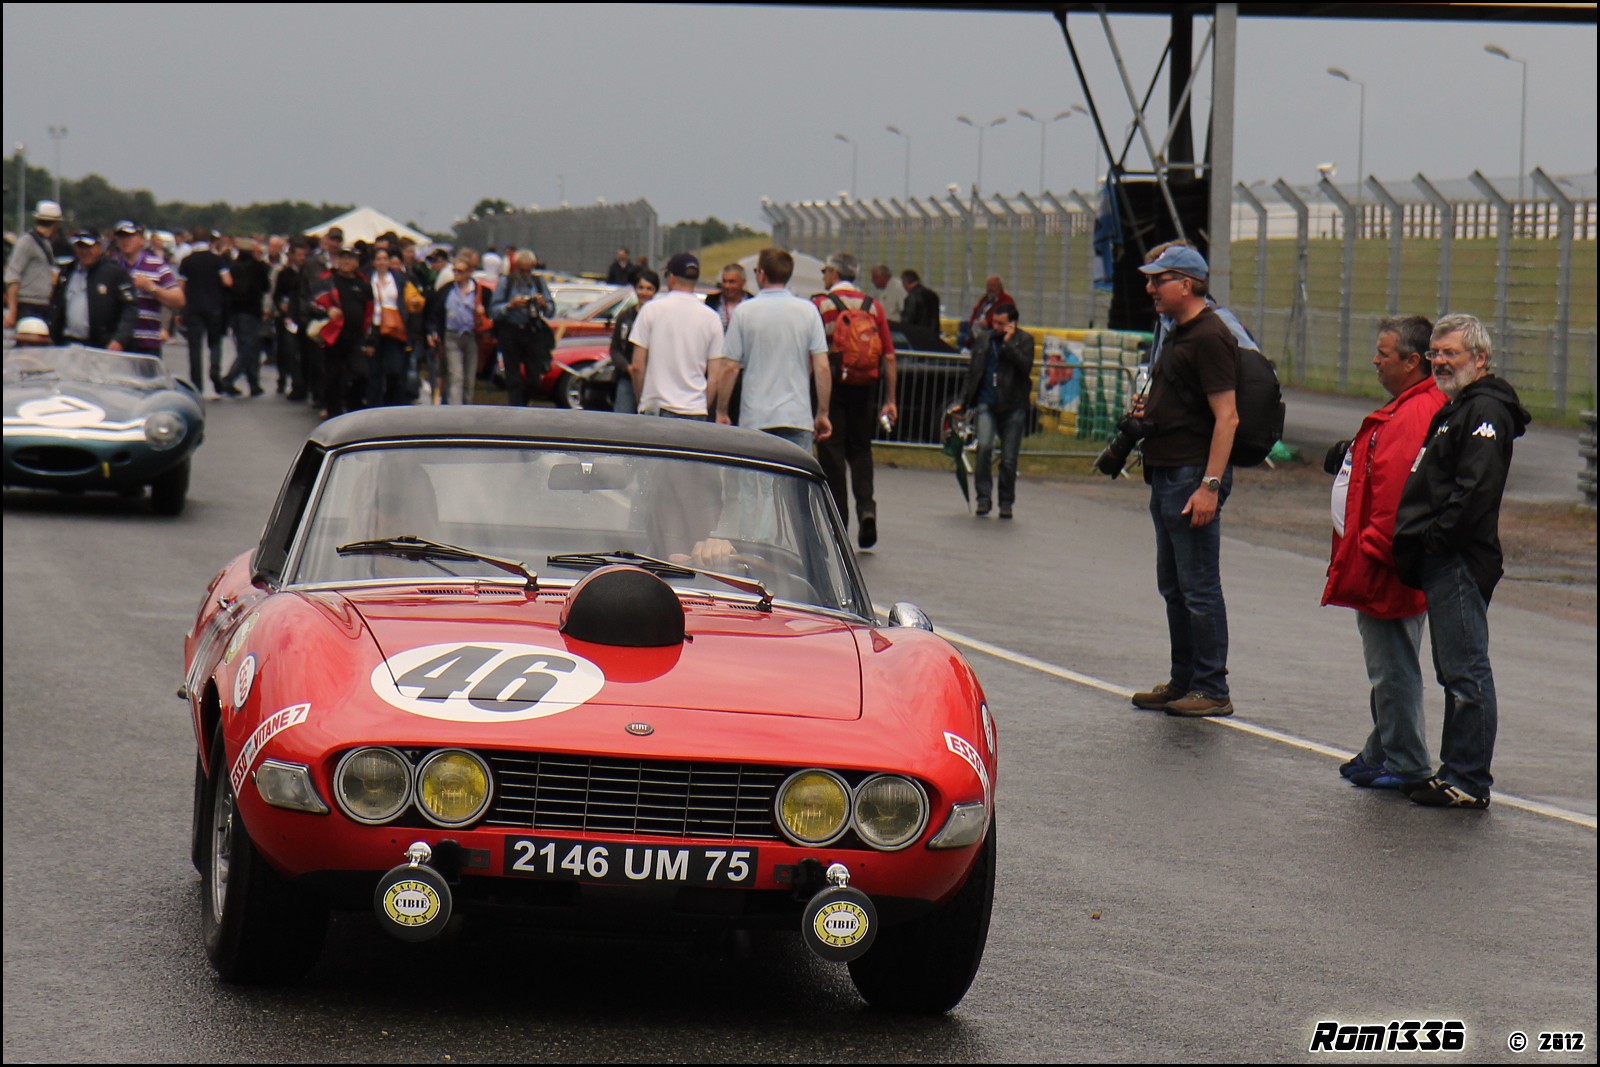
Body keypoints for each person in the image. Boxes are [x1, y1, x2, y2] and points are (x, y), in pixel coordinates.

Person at [1391, 314, 1531, 809]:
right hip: (1442, 558)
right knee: (1453, 671)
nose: (1440, 362)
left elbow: (1475, 491)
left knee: (1466, 669)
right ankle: (1454, 769)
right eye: (1435, 353)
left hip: (1458, 559)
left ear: (1480, 358)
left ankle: (1469, 779)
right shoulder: (1457, 408)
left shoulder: (1484, 410)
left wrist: (1434, 539)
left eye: (1451, 353)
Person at [1322, 316, 1447, 790]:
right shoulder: (1408, 407)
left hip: (1386, 564)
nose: (1375, 360)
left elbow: (1398, 494)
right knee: (1392, 661)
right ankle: (1382, 749)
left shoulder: (1414, 414)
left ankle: (1407, 760)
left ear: (1413, 361)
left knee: (1392, 664)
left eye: (1384, 353)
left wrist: (1372, 550)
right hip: (1385, 559)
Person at [1126, 245, 1240, 718]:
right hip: (1167, 471)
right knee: (1174, 586)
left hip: (1193, 475)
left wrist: (1209, 486)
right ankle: (1184, 679)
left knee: (1198, 587)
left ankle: (1212, 686)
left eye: (1159, 280)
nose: (1150, 288)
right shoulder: (1178, 333)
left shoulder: (1210, 335)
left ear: (1187, 284)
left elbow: (1227, 417)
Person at [812, 252, 897, 549]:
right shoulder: (873, 306)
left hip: (832, 386)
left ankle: (839, 523)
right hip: (865, 386)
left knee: (832, 454)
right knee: (861, 450)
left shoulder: (820, 305)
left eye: (826, 271)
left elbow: (814, 351)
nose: (824, 276)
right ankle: (867, 508)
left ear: (834, 274)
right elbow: (887, 354)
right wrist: (890, 399)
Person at [717, 247, 832, 451]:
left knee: (753, 479)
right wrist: (822, 412)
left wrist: (721, 409)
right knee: (794, 480)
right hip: (796, 416)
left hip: (756, 415)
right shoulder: (808, 311)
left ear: (761, 274)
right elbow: (821, 366)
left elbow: (730, 367)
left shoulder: (745, 311)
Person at [956, 302, 1034, 519]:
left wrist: (1009, 346)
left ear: (1012, 324)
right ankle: (983, 497)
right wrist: (962, 403)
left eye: (1001, 324)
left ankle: (1006, 501)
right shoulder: (984, 340)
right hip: (987, 402)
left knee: (1009, 458)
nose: (996, 328)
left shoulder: (1024, 340)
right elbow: (973, 373)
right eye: (994, 323)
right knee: (984, 447)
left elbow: (1026, 367)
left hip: (1013, 405)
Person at [629, 252, 723, 419]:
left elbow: (637, 365)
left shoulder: (651, 310)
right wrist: (703, 405)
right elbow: (715, 376)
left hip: (657, 406)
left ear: (671, 277)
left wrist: (643, 400)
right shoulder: (712, 318)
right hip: (695, 409)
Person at [308, 245, 373, 418]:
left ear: (357, 262)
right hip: (333, 337)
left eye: (350, 258)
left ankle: (353, 407)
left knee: (362, 375)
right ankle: (333, 413)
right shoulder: (327, 280)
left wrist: (369, 340)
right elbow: (312, 304)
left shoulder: (364, 284)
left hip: (356, 339)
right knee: (333, 378)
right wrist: (327, 311)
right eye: (343, 258)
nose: (346, 261)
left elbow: (370, 313)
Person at [49, 232, 138, 350]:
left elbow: (130, 309)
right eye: (80, 247)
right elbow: (56, 305)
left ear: (99, 247)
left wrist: (119, 340)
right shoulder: (67, 272)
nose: (84, 251)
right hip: (69, 343)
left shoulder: (114, 272)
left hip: (102, 347)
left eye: (88, 247)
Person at [110, 221, 184, 358]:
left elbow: (178, 300)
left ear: (142, 240)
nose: (125, 241)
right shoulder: (111, 265)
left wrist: (151, 288)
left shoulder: (157, 265)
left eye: (130, 237)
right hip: (116, 344)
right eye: (121, 237)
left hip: (147, 343)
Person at [491, 250, 554, 407]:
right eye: (522, 270)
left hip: (532, 331)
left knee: (535, 377)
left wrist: (543, 304)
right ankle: (515, 408)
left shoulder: (538, 282)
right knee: (513, 378)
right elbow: (492, 310)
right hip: (511, 330)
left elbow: (552, 310)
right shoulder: (507, 282)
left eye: (528, 270)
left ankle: (524, 402)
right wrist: (510, 305)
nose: (525, 274)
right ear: (516, 267)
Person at [428, 254, 486, 406]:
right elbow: (435, 312)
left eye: (460, 271)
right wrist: (433, 331)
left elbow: (490, 314)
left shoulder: (478, 290)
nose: (457, 275)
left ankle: (467, 407)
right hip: (451, 336)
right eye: (455, 271)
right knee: (456, 375)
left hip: (471, 336)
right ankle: (456, 410)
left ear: (469, 272)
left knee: (469, 378)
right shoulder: (447, 290)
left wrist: (482, 312)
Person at [179, 229, 232, 394]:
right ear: (209, 241)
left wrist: (180, 311)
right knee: (215, 342)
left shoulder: (187, 261)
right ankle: (214, 370)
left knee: (194, 347)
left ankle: (197, 385)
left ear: (193, 240)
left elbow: (181, 286)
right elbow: (228, 281)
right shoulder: (217, 260)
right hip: (214, 306)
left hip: (193, 307)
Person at [221, 238, 272, 397]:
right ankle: (229, 379)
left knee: (244, 346)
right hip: (251, 311)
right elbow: (266, 287)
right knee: (250, 349)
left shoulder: (231, 267)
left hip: (234, 311)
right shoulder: (259, 267)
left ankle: (253, 383)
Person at [365, 247, 414, 407]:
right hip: (374, 327)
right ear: (373, 262)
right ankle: (374, 406)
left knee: (394, 369)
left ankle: (391, 401)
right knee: (374, 371)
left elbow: (408, 300)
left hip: (394, 327)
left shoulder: (399, 278)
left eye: (385, 259)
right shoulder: (367, 279)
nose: (382, 262)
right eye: (378, 259)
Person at [5, 200, 65, 329]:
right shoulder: (27, 242)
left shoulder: (45, 243)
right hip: (28, 304)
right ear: (56, 224)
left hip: (43, 304)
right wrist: (12, 311)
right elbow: (12, 275)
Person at [608, 268, 658, 414]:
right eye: (641, 287)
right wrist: (627, 367)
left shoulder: (659, 316)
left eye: (649, 289)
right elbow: (615, 348)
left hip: (652, 381)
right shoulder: (625, 316)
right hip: (626, 379)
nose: (644, 292)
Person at [703, 263, 752, 331]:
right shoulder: (711, 301)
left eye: (731, 282)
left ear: (743, 282)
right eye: (724, 281)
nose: (727, 286)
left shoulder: (752, 302)